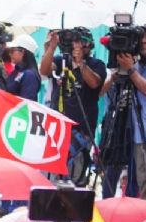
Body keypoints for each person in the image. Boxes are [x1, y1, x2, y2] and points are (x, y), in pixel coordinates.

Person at [39, 27, 107, 181]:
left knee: (74, 175)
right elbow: (44, 70)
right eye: (73, 41)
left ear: (88, 45)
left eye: (79, 41)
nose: (76, 45)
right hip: (59, 128)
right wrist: (51, 48)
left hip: (81, 129)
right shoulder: (61, 60)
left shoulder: (97, 64)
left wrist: (80, 63)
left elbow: (94, 82)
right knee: (53, 173)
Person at [112, 24, 146, 198]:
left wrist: (130, 69)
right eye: (141, 37)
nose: (144, 41)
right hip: (139, 134)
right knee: (144, 183)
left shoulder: (137, 68)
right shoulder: (138, 65)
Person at [4, 35, 41, 101]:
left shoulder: (29, 75)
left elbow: (26, 103)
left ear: (22, 52)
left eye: (12, 51)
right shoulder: (16, 71)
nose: (10, 54)